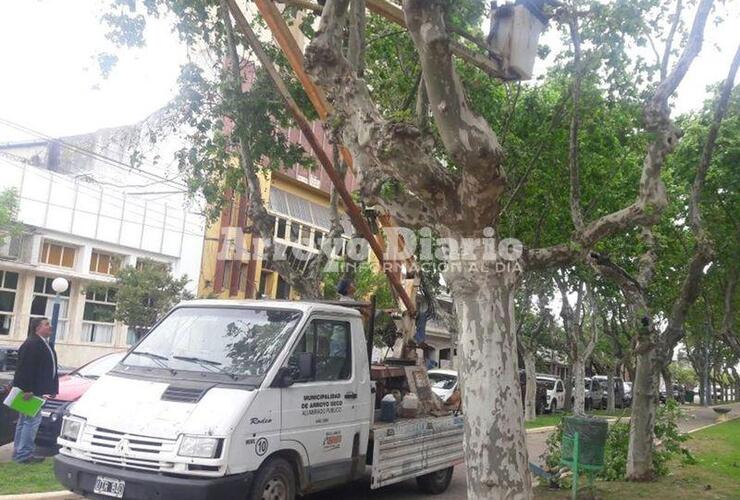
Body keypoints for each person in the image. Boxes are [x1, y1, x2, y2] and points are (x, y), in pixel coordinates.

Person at [11, 317, 59, 464]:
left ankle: (19, 453)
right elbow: (24, 369)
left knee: (25, 421)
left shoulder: (45, 344)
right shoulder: (32, 344)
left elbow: (50, 368)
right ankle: (24, 454)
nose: (50, 327)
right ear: (37, 328)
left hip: (36, 390)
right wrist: (27, 389)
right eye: (46, 324)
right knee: (30, 422)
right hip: (30, 391)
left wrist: (52, 388)